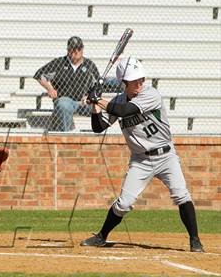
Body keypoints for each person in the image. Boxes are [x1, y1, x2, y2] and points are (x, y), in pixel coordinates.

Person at [80, 57, 204, 252]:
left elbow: (126, 110)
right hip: (140, 160)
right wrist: (94, 106)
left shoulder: (151, 94)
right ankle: (101, 237)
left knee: (181, 194)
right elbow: (98, 127)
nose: (139, 82)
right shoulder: (118, 99)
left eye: (141, 78)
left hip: (166, 155)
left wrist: (98, 99)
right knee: (123, 203)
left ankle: (195, 240)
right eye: (134, 80)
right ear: (124, 83)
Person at [34, 36, 100, 131]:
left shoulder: (90, 65)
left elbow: (98, 85)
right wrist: (50, 89)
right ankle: (65, 136)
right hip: (65, 101)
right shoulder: (59, 63)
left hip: (84, 103)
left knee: (102, 105)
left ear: (82, 49)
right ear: (68, 50)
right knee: (63, 105)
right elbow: (39, 75)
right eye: (73, 49)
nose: (76, 51)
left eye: (79, 48)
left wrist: (90, 97)